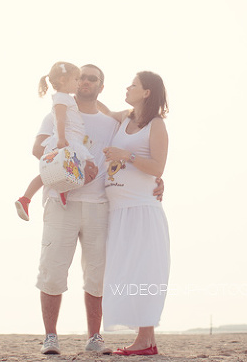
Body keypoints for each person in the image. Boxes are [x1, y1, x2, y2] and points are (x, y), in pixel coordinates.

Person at [31, 65, 164, 356]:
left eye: (93, 78)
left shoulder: (112, 123)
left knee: (97, 275)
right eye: (82, 77)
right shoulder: (58, 113)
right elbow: (38, 149)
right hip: (61, 201)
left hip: (100, 206)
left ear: (101, 87)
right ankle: (50, 337)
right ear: (75, 82)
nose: (86, 81)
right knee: (52, 271)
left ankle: (95, 336)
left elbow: (137, 149)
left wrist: (156, 178)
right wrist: (74, 164)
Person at [99, 71, 170, 356]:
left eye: (133, 85)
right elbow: (99, 109)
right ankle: (146, 341)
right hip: (119, 211)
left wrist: (124, 155)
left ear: (147, 93)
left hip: (142, 209)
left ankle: (145, 341)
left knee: (144, 272)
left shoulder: (156, 125)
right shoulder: (124, 118)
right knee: (125, 273)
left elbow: (157, 168)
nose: (127, 88)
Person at [15, 61, 94, 221]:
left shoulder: (66, 98)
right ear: (64, 80)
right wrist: (61, 138)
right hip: (67, 140)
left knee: (59, 171)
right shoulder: (61, 98)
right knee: (76, 168)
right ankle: (26, 198)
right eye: (76, 79)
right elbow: (60, 118)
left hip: (71, 140)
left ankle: (61, 190)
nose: (78, 83)